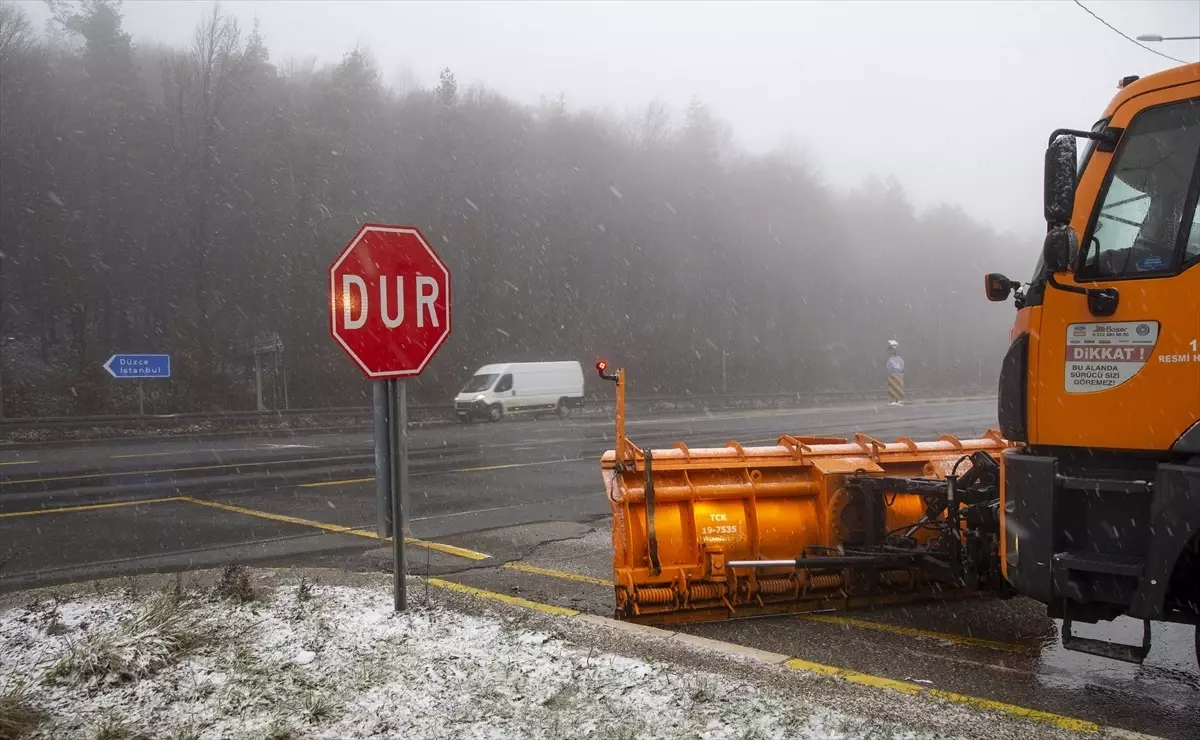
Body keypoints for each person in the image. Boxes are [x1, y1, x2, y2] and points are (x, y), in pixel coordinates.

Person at [887, 340, 905, 406]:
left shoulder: (891, 359)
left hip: (893, 374)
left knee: (893, 387)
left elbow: (888, 367)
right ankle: (898, 400)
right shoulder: (900, 359)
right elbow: (902, 365)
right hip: (899, 374)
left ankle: (894, 400)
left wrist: (891, 371)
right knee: (898, 387)